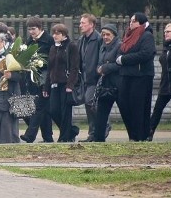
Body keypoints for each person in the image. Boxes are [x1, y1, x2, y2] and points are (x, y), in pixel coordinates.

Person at [116, 12, 156, 141]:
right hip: (126, 75)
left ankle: (140, 135)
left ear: (141, 23)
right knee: (123, 102)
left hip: (141, 75)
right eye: (130, 21)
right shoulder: (128, 36)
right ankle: (132, 133)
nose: (131, 23)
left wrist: (124, 59)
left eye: (134, 21)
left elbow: (145, 54)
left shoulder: (146, 36)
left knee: (138, 106)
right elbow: (120, 51)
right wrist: (120, 58)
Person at [44, 23, 80, 143]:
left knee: (65, 113)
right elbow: (50, 68)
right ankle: (71, 131)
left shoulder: (71, 46)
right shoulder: (53, 48)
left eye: (58, 33)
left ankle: (64, 137)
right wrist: (46, 87)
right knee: (53, 110)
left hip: (66, 84)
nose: (55, 35)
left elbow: (75, 67)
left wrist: (70, 85)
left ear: (64, 34)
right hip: (54, 84)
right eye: (53, 33)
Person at [20, 17, 55, 143]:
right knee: (44, 110)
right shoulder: (29, 41)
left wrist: (40, 63)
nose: (31, 32)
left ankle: (30, 135)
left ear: (40, 28)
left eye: (33, 29)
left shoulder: (49, 40)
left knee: (39, 107)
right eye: (29, 29)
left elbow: (52, 60)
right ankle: (48, 137)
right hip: (33, 79)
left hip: (46, 79)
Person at [91, 24, 121, 142]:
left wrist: (105, 68)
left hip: (117, 84)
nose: (105, 37)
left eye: (108, 34)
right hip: (104, 84)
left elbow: (119, 64)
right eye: (103, 34)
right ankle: (99, 139)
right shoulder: (103, 47)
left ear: (113, 35)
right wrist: (99, 69)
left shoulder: (119, 46)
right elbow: (99, 62)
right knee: (101, 114)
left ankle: (134, 137)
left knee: (125, 111)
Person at [77, 14, 105, 142]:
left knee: (90, 102)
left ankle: (99, 129)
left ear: (92, 25)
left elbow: (101, 56)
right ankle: (95, 131)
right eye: (80, 23)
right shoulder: (81, 40)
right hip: (85, 78)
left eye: (83, 23)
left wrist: (98, 70)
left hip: (95, 77)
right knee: (90, 105)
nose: (80, 25)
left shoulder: (98, 39)